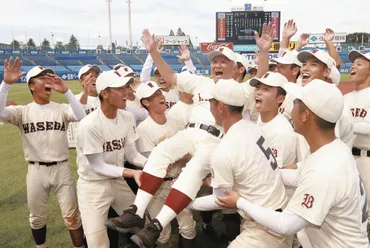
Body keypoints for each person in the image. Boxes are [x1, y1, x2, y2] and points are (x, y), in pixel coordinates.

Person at [105, 24, 274, 248]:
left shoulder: (239, 90)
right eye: (214, 61)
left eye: (224, 61)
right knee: (160, 153)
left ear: (236, 69)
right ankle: (137, 211)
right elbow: (170, 76)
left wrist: (263, 52)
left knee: (192, 172)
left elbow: (260, 80)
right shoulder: (201, 82)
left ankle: (155, 226)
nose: (218, 64)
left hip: (215, 140)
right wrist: (153, 52)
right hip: (190, 131)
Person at [217, 80, 370, 248]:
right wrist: (257, 171)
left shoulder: (326, 168)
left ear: (305, 115)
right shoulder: (333, 150)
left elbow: (286, 225)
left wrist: (240, 202)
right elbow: (298, 177)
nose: (290, 108)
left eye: (296, 103)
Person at [190, 79, 288, 247]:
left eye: (211, 102)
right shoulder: (252, 127)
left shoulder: (224, 150)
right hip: (279, 215)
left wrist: (188, 202)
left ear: (220, 107)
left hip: (264, 228)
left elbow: (221, 199)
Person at [0, 58, 86, 248]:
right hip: (36, 170)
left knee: (72, 216)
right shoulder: (22, 112)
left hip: (62, 168)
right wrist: (6, 84)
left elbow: (83, 117)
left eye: (49, 76)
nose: (48, 80)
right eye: (41, 78)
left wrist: (68, 92)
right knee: (37, 218)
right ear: (32, 85)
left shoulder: (61, 109)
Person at [76, 70, 146, 248]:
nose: (125, 92)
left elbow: (132, 154)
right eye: (119, 88)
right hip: (93, 185)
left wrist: (151, 164)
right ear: (104, 93)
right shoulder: (89, 124)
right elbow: (97, 166)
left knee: (143, 228)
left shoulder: (127, 117)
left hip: (117, 181)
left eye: (126, 87)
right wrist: (131, 172)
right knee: (97, 242)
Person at [135, 81, 197, 247]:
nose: (161, 96)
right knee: (162, 234)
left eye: (160, 93)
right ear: (145, 102)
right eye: (155, 95)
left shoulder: (174, 121)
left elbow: (186, 152)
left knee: (188, 226)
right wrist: (174, 156)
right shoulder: (143, 129)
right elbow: (154, 164)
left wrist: (171, 156)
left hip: (179, 180)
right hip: (157, 187)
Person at [297, 49, 354, 149]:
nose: (305, 68)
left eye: (313, 65)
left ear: (326, 72)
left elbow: (328, 150)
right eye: (304, 64)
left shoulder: (334, 106)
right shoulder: (311, 100)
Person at [250, 72, 297, 168]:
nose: (258, 92)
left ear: (280, 99)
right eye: (258, 88)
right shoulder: (262, 117)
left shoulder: (280, 132)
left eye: (266, 89)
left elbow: (271, 173)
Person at [344, 50, 370, 221]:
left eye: (360, 63)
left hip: (367, 159)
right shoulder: (345, 98)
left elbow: (368, 128)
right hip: (347, 159)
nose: (353, 66)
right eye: (353, 63)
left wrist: (343, 125)